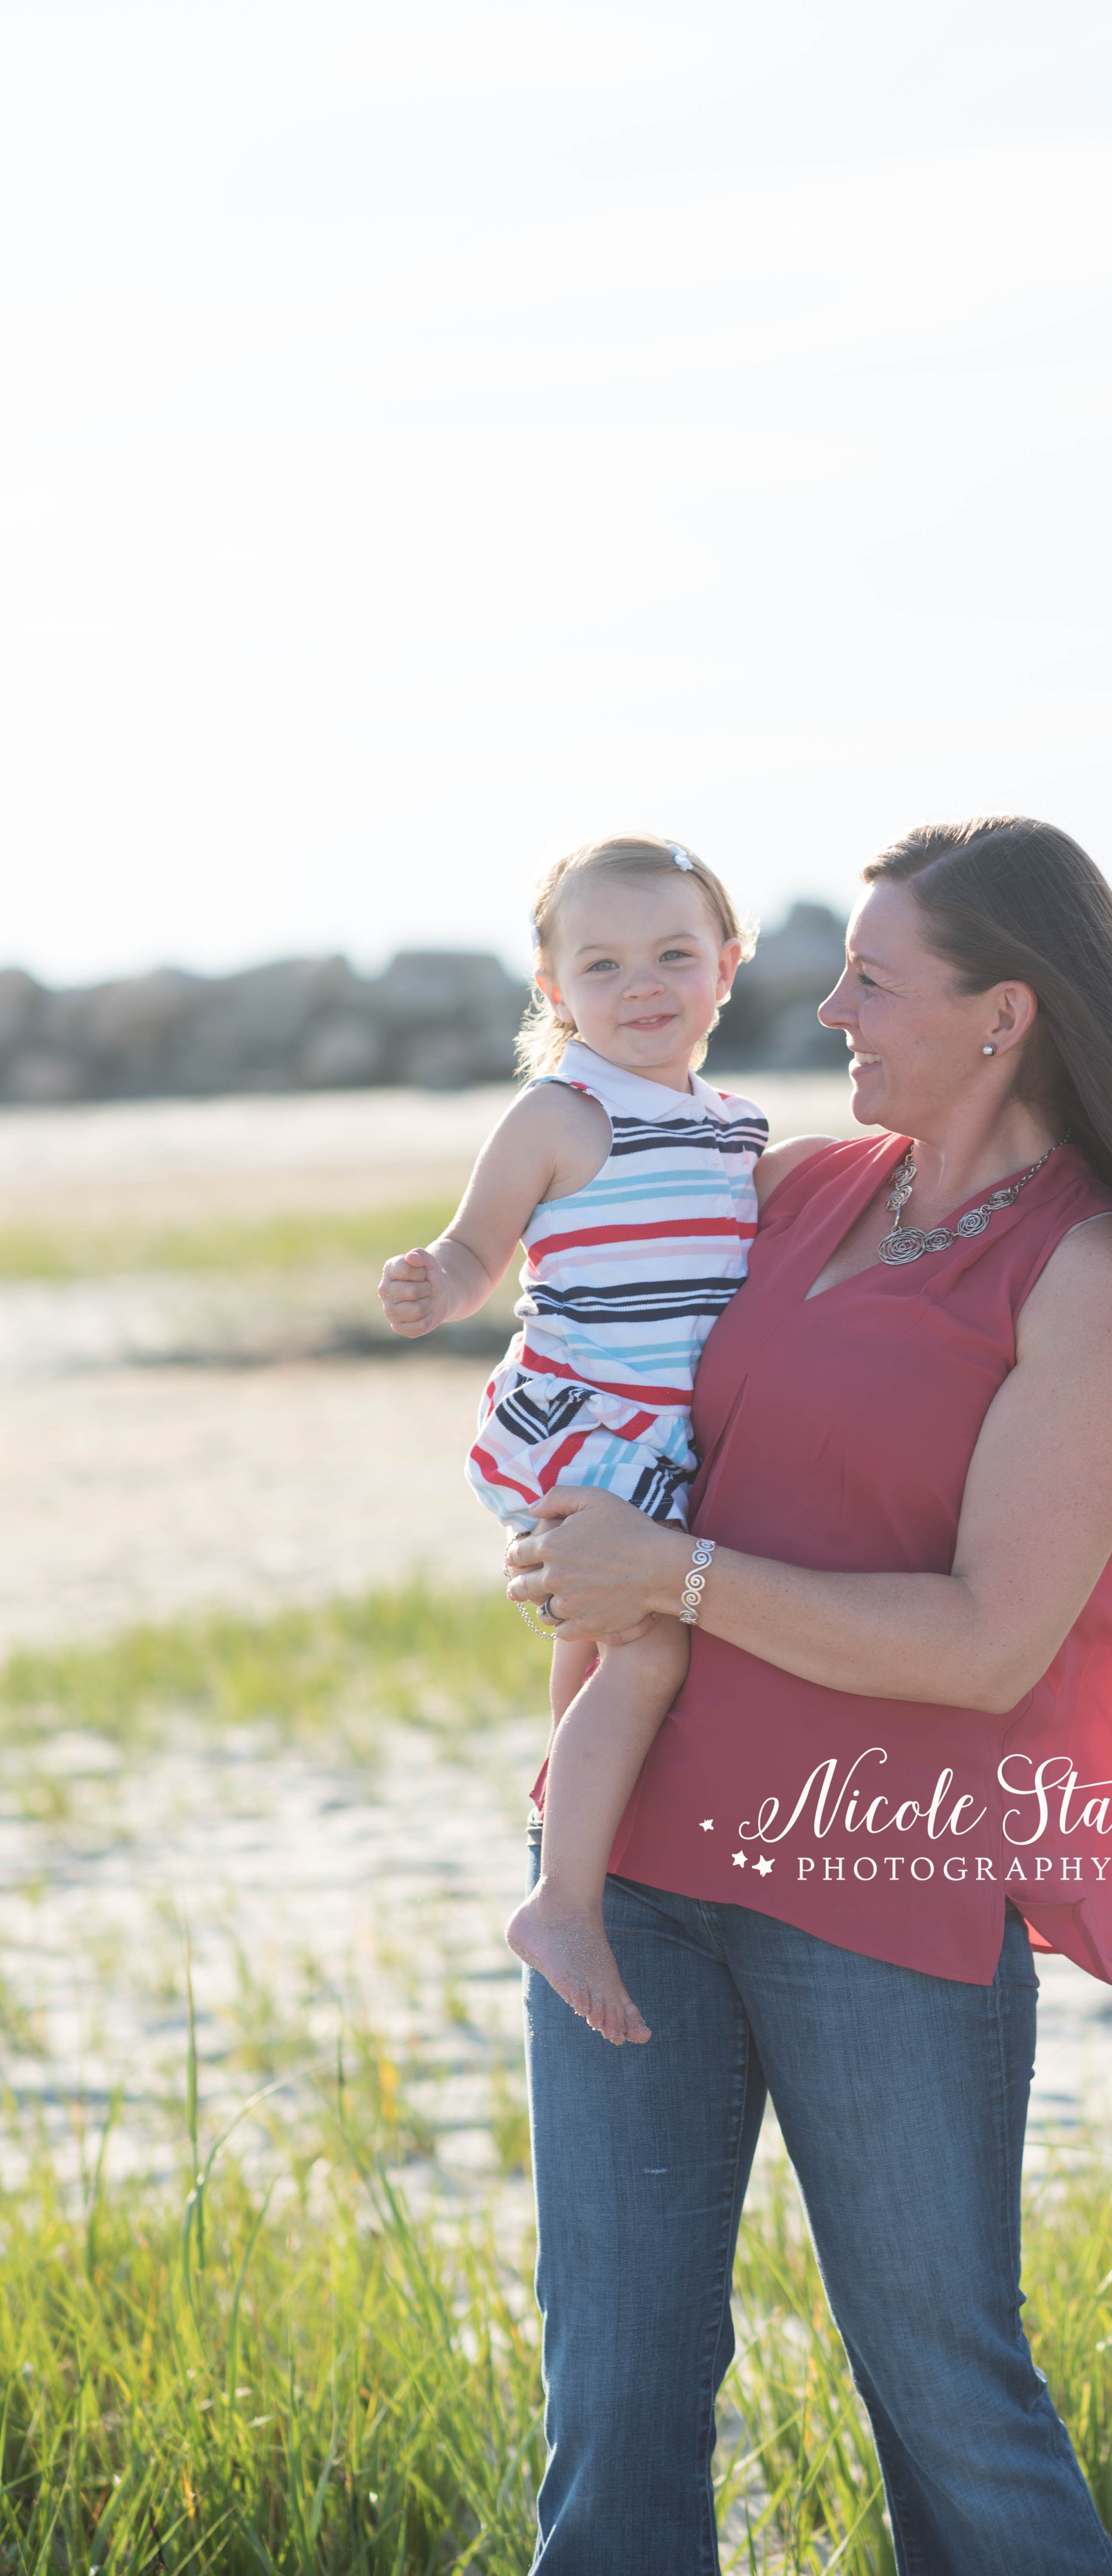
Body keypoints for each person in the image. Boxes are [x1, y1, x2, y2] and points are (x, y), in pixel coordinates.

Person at [505, 815, 1112, 2575]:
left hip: (875, 1892)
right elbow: (599, 1351)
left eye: (870, 975)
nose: (825, 1003)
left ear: (1003, 1012)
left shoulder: (1092, 1268)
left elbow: (990, 1637)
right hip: (626, 1884)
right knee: (609, 2413)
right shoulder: (790, 1186)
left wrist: (671, 1581)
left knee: (946, 2398)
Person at [377, 834, 766, 2046]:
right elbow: (478, 1246)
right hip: (582, 1422)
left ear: (727, 969)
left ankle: (564, 1803)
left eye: (672, 955)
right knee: (646, 1651)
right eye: (602, 965)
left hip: (660, 1439)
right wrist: (435, 1287)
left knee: (602, 1637)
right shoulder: (561, 1110)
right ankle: (564, 1900)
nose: (640, 984)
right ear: (554, 990)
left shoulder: (736, 1125)